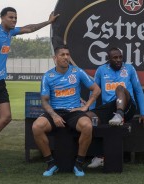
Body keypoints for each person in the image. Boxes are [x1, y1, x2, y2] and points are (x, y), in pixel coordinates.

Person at [0, 7, 59, 168]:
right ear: (2, 18)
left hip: (0, 82)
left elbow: (29, 28)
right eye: (11, 17)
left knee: (6, 116)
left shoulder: (10, 32)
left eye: (15, 18)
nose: (14, 20)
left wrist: (48, 22)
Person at [32, 45, 101, 176]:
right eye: (62, 55)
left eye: (67, 54)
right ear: (55, 58)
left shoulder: (77, 72)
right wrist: (53, 115)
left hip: (74, 112)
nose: (66, 57)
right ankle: (51, 163)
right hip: (55, 112)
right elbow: (45, 101)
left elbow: (96, 89)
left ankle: (79, 164)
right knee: (37, 127)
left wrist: (86, 107)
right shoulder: (48, 76)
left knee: (87, 126)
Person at [86, 47, 144, 168]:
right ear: (108, 59)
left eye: (120, 57)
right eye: (115, 58)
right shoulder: (101, 70)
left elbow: (138, 90)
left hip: (127, 107)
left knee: (119, 88)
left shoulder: (129, 68)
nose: (118, 60)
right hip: (109, 108)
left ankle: (119, 115)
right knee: (88, 118)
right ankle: (100, 156)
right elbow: (93, 92)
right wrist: (91, 110)